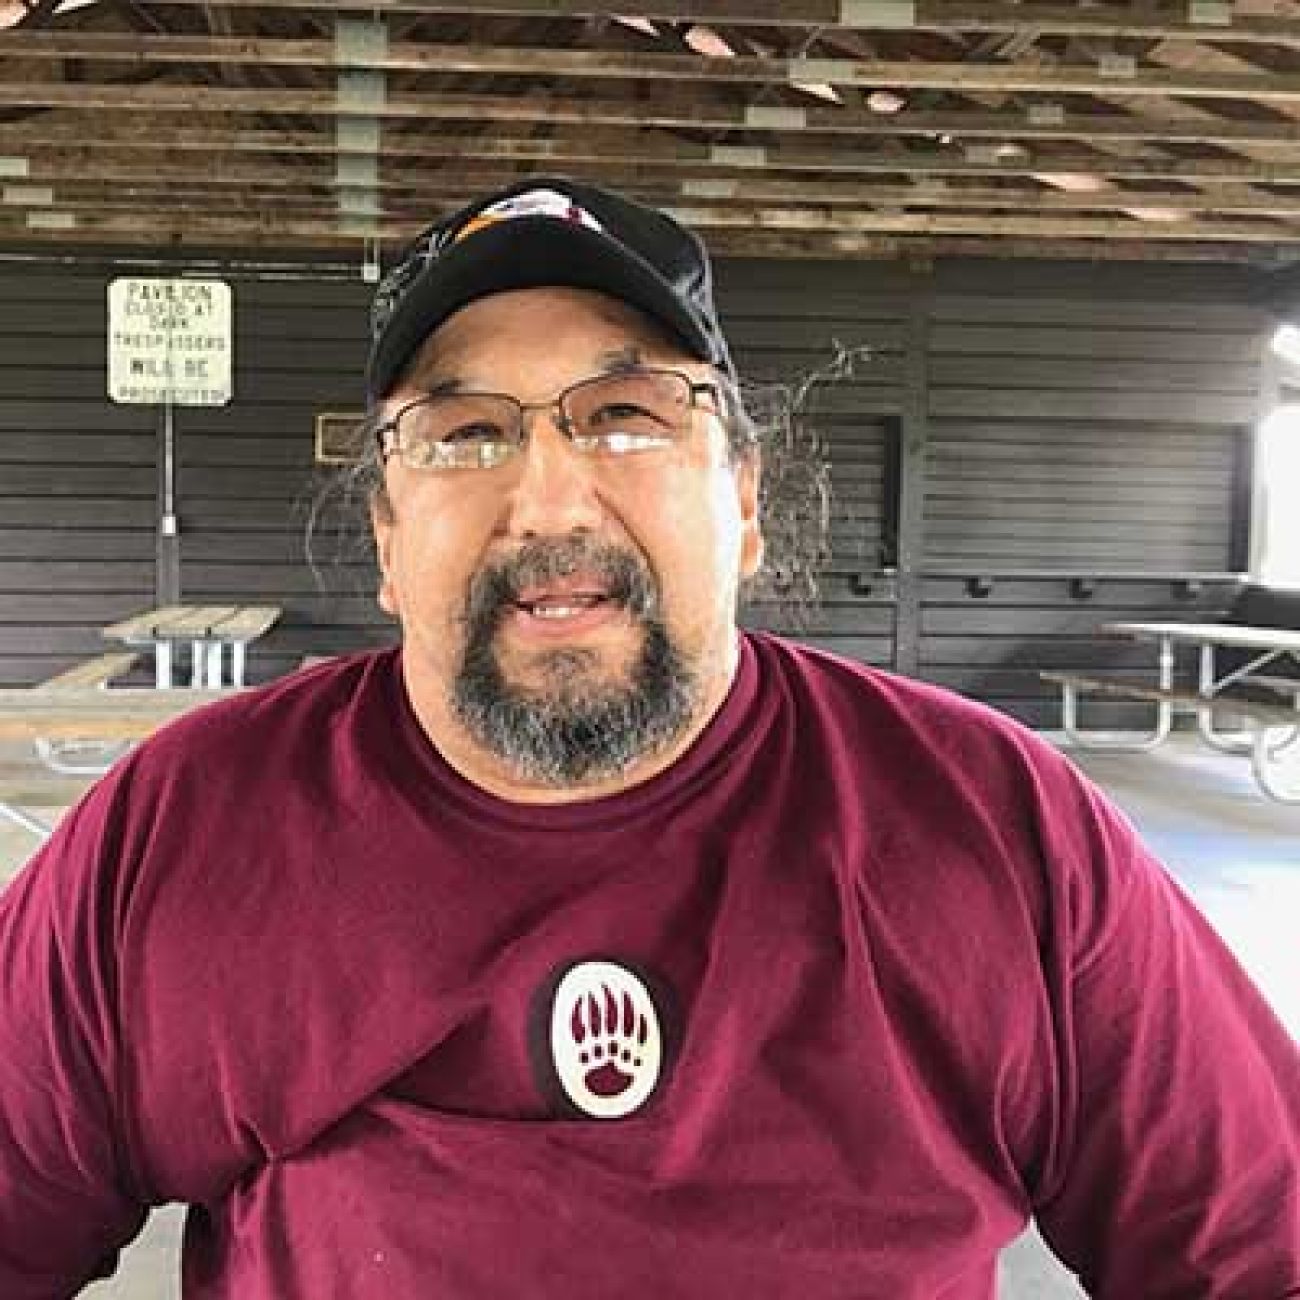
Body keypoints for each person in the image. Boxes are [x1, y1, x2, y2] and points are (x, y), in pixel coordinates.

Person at [0, 177, 1297, 1300]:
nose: (549, 498)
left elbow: (1257, 1246)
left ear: (742, 503)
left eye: (627, 414)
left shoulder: (998, 828)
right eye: (466, 435)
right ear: (389, 541)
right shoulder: (180, 832)